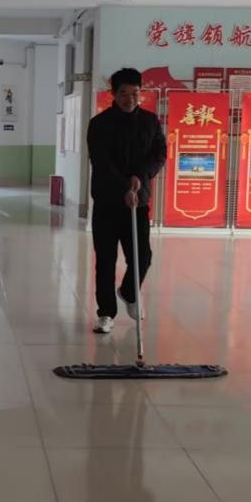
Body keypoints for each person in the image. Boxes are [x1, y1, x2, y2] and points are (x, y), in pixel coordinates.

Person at [87, 68, 165, 334]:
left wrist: (140, 177)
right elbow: (101, 161)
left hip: (138, 202)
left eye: (135, 93)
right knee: (106, 260)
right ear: (113, 94)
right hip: (107, 203)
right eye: (124, 93)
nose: (130, 99)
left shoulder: (150, 122)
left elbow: (159, 154)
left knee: (142, 256)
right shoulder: (99, 124)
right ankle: (106, 313)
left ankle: (130, 292)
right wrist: (123, 186)